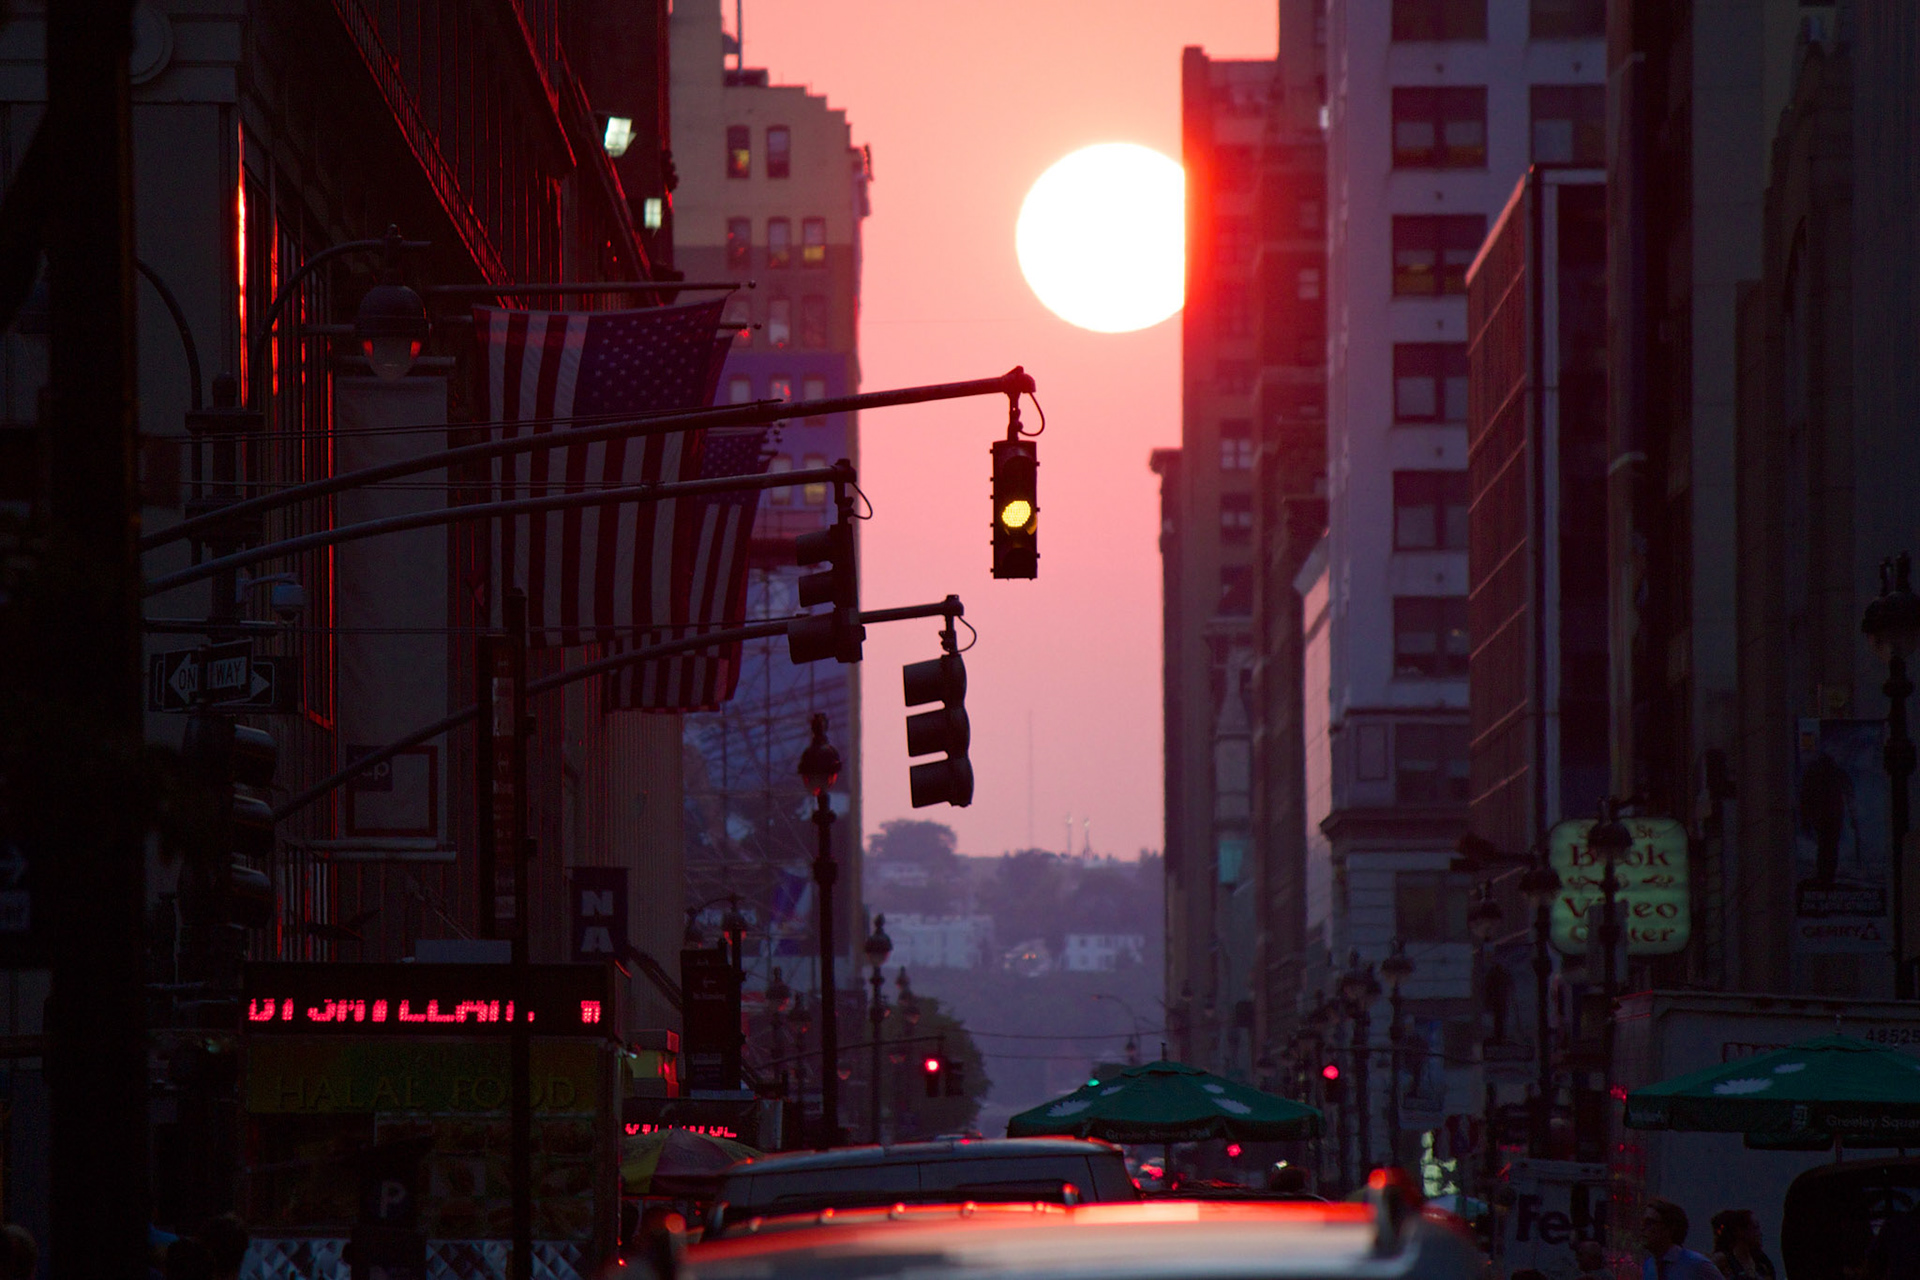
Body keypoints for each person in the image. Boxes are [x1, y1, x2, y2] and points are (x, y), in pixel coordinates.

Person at [1641, 1199, 1725, 1280]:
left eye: (1650, 1223)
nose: (1643, 1227)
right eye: (1642, 1222)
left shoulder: (1696, 1265)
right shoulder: (1649, 1266)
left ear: (1670, 1228)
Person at [1709, 1210, 1774, 1280]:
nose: (1760, 1233)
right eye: (1755, 1228)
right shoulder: (1723, 1260)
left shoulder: (1762, 1262)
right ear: (1740, 1231)